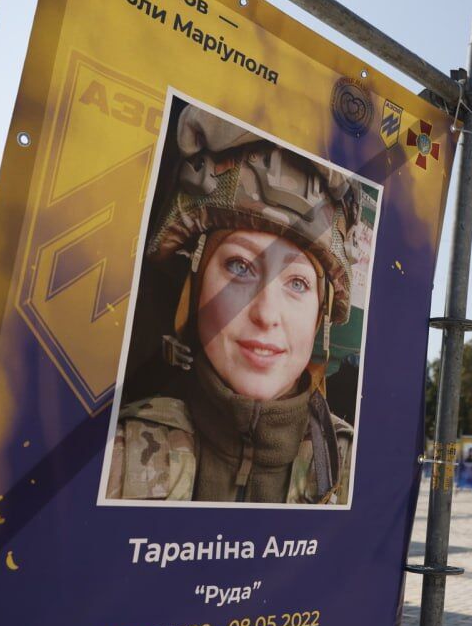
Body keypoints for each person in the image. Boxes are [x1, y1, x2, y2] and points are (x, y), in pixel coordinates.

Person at [106, 104, 361, 504]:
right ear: (194, 287)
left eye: (297, 283)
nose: (266, 314)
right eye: (239, 266)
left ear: (321, 315)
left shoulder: (353, 470)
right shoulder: (114, 458)